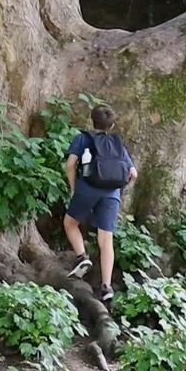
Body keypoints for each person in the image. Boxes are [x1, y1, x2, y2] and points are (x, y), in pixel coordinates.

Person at [62, 104, 138, 303]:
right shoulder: (118, 144)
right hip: (111, 194)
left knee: (70, 223)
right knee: (106, 240)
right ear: (111, 125)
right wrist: (116, 188)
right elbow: (133, 173)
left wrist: (74, 187)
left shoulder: (83, 138)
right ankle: (106, 286)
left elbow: (71, 164)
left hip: (86, 189)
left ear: (91, 120)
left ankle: (82, 257)